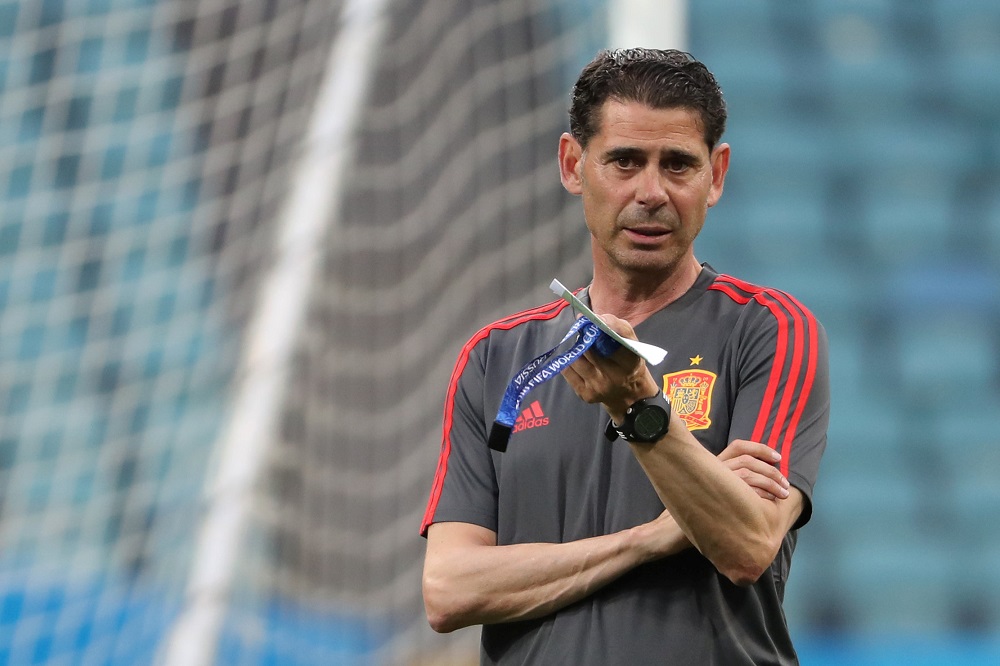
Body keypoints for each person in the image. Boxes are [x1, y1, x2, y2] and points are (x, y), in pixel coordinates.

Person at [420, 48, 829, 665]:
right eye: (625, 161)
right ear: (572, 164)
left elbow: (747, 544)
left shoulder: (768, 329)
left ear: (715, 175)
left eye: (679, 165)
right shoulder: (495, 358)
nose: (652, 192)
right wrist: (652, 538)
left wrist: (638, 405)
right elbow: (448, 590)